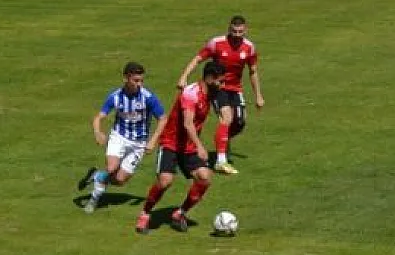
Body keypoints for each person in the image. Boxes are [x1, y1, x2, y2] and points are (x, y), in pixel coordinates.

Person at [136, 61, 223, 234]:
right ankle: (145, 213)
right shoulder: (191, 93)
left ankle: (179, 213)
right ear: (209, 78)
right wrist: (200, 147)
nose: (222, 84)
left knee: (204, 177)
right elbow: (187, 123)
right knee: (165, 181)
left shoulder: (212, 93)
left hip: (188, 146)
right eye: (220, 80)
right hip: (171, 142)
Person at [176, 16, 263, 175]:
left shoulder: (249, 48)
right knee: (226, 118)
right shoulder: (216, 43)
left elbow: (253, 71)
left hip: (236, 89)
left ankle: (222, 140)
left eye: (240, 32)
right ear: (229, 29)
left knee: (240, 121)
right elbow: (197, 59)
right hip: (217, 87)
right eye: (234, 31)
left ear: (246, 30)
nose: (237, 35)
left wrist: (258, 95)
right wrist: (184, 77)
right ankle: (221, 161)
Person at [79, 62, 168, 214]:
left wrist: (153, 140)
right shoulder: (115, 97)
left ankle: (97, 175)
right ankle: (93, 200)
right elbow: (98, 117)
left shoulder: (148, 97)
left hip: (138, 143)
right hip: (119, 137)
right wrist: (98, 132)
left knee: (120, 180)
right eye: (136, 80)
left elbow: (163, 118)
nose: (139, 84)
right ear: (126, 78)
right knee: (111, 168)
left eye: (141, 80)